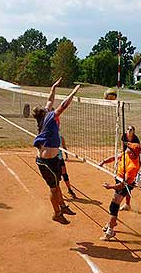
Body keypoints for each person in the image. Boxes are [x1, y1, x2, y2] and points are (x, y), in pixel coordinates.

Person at [32, 78, 80, 225]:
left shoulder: (44, 115)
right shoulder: (50, 117)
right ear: (44, 112)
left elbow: (50, 100)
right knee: (53, 189)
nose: (48, 107)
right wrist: (74, 92)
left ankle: (63, 207)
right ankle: (56, 213)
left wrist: (53, 87)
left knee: (57, 185)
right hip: (46, 162)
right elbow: (62, 106)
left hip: (52, 160)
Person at [98, 142, 141, 240]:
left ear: (133, 153)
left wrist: (110, 187)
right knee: (113, 205)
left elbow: (123, 185)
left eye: (129, 148)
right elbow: (115, 157)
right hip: (120, 180)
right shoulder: (126, 154)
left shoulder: (132, 167)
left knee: (114, 206)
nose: (127, 148)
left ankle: (110, 230)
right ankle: (111, 222)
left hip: (124, 185)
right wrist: (103, 162)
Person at [119, 125, 140, 211]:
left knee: (127, 184)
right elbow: (122, 146)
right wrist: (122, 154)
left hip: (133, 155)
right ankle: (127, 204)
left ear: (134, 132)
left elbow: (137, 150)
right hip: (126, 154)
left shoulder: (135, 139)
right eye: (128, 129)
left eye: (131, 129)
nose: (129, 130)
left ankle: (127, 203)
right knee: (126, 183)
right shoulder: (124, 136)